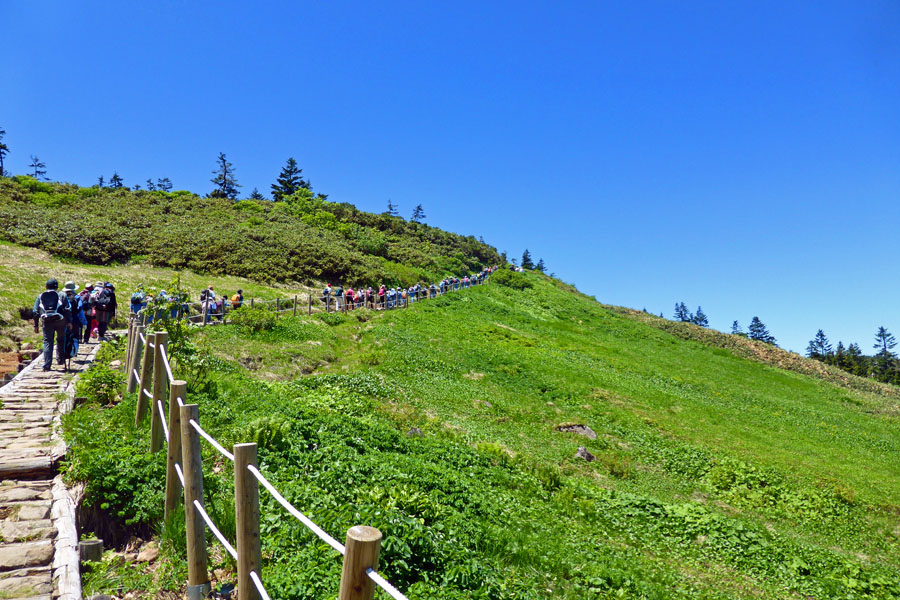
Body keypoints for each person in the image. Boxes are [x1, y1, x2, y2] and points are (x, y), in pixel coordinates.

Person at [32, 278, 72, 371]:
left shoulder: (41, 296)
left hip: (47, 321)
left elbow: (35, 311)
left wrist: (36, 325)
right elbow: (67, 309)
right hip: (60, 320)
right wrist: (69, 321)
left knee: (47, 342)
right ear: (57, 287)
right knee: (60, 339)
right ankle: (60, 359)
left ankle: (47, 364)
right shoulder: (62, 294)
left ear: (46, 286)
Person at [64, 281, 87, 347]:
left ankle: (63, 352)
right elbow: (80, 310)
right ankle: (74, 351)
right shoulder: (77, 297)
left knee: (65, 335)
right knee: (75, 336)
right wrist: (84, 322)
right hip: (74, 319)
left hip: (64, 319)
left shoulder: (62, 296)